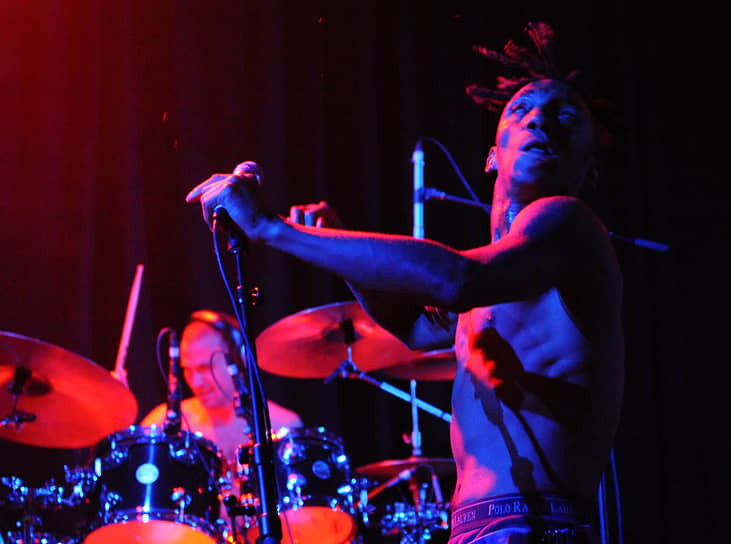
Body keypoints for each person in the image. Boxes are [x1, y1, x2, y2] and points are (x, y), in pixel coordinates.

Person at [187, 22, 623, 544]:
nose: (540, 120)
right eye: (521, 110)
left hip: (536, 526)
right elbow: (415, 328)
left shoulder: (568, 222)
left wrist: (273, 229)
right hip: (479, 527)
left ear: (589, 170)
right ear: (491, 155)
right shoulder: (505, 276)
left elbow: (458, 279)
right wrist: (341, 252)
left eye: (565, 116)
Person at [140, 309, 303, 472]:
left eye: (205, 368)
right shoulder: (160, 422)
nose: (195, 382)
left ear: (238, 361)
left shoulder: (282, 426)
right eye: (187, 369)